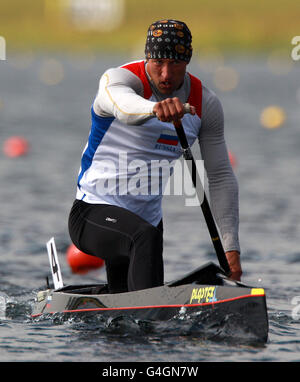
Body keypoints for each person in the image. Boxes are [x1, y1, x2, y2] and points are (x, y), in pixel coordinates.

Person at [68, 19, 242, 293]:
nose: (165, 74)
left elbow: (220, 177)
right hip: (92, 211)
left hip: (147, 221)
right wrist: (154, 109)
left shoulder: (205, 103)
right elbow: (125, 108)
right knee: (142, 239)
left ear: (188, 61)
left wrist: (231, 248)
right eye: (158, 62)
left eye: (175, 64)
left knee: (126, 303)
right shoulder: (119, 79)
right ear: (147, 56)